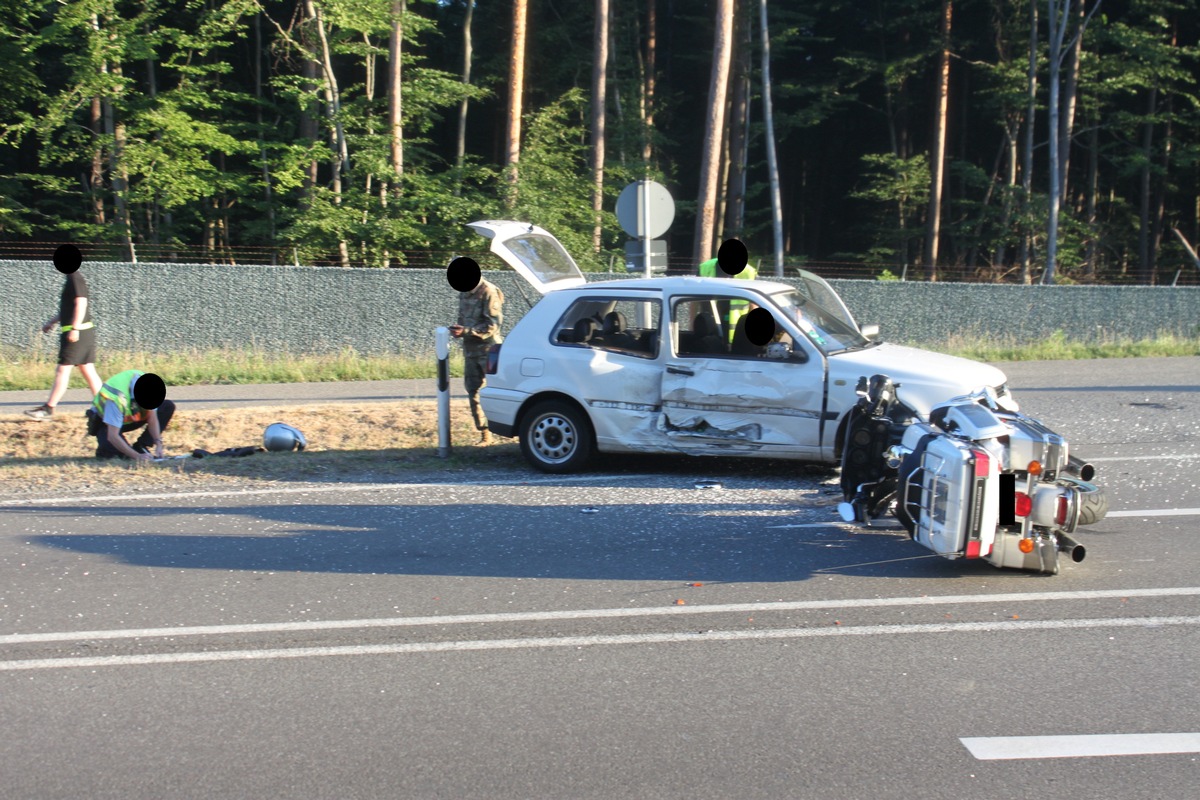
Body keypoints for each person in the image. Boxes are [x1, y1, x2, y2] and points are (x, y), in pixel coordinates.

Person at [25, 257, 103, 420]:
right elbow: (69, 309)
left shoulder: (75, 278)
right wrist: (52, 322)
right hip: (83, 332)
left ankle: (48, 409)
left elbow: (81, 304)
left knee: (63, 369)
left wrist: (74, 329)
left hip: (78, 333)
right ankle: (104, 407)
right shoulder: (72, 278)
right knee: (87, 369)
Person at [449, 277, 504, 444]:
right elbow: (463, 317)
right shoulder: (464, 291)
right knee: (473, 392)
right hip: (471, 351)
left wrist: (466, 331)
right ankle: (485, 434)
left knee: (499, 391)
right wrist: (458, 330)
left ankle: (510, 429)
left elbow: (493, 325)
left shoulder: (488, 290)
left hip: (489, 350)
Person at [86, 370, 175, 461]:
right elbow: (113, 436)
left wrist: (158, 443)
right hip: (106, 423)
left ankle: (141, 446)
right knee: (115, 453)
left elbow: (152, 419)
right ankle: (106, 450)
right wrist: (137, 456)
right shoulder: (116, 398)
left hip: (126, 419)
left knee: (167, 406)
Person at [698, 255, 759, 342]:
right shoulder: (705, 268)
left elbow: (754, 304)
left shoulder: (748, 272)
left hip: (737, 330)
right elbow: (694, 301)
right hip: (709, 328)